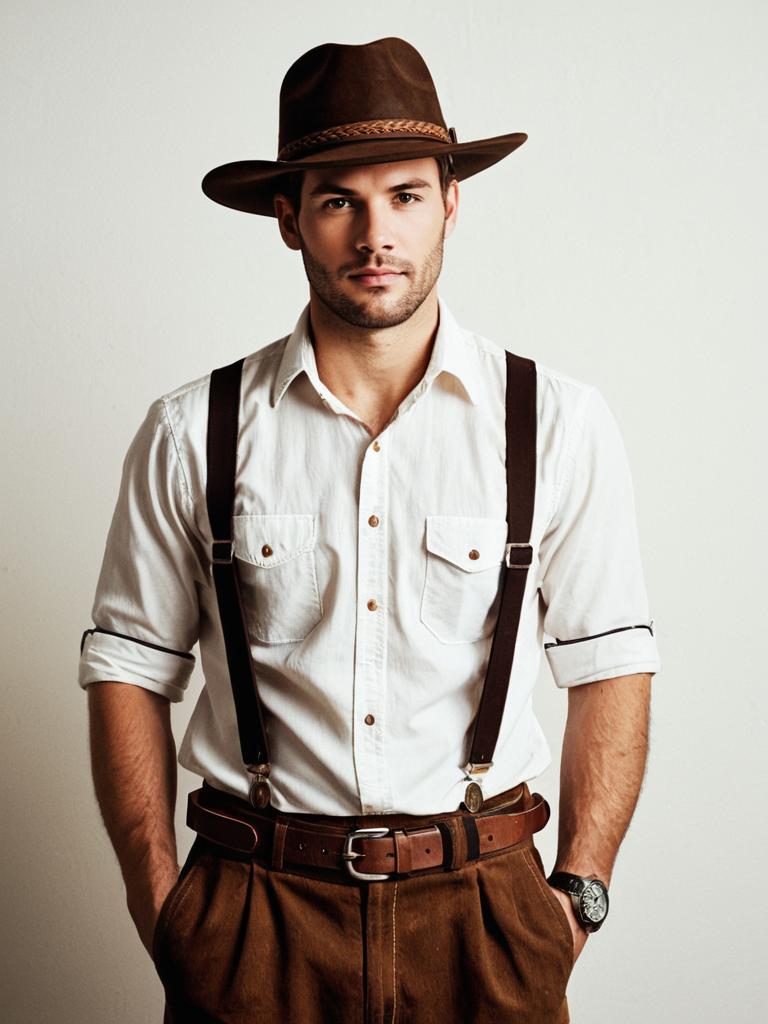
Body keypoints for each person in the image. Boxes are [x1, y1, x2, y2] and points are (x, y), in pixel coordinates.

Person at [80, 36, 661, 1024]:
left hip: (485, 915)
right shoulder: (192, 431)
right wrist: (163, 901)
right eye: (339, 199)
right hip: (255, 917)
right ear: (287, 218)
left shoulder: (557, 422)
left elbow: (610, 661)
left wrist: (577, 895)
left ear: (451, 203)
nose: (375, 233)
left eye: (404, 194)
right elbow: (129, 665)